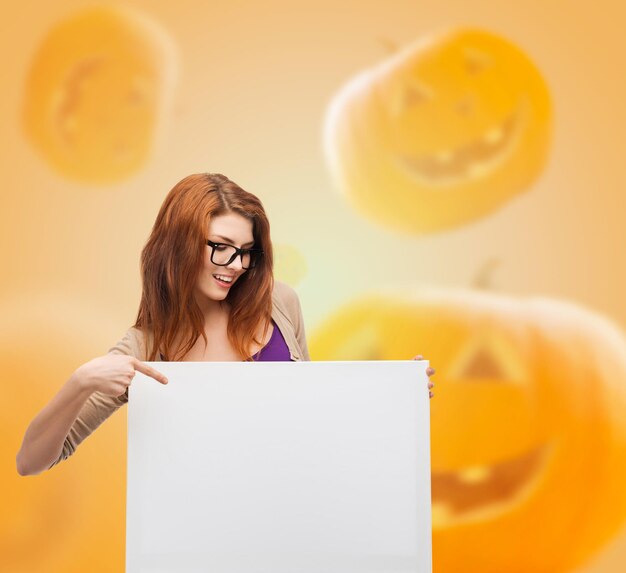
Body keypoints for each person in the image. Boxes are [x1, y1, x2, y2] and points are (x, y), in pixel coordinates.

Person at [16, 173, 435, 477]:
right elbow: (31, 461)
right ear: (177, 245)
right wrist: (82, 380)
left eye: (247, 251)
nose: (236, 266)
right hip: (203, 542)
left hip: (295, 523)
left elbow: (313, 416)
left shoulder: (279, 303)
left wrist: (394, 395)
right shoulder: (146, 347)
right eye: (221, 248)